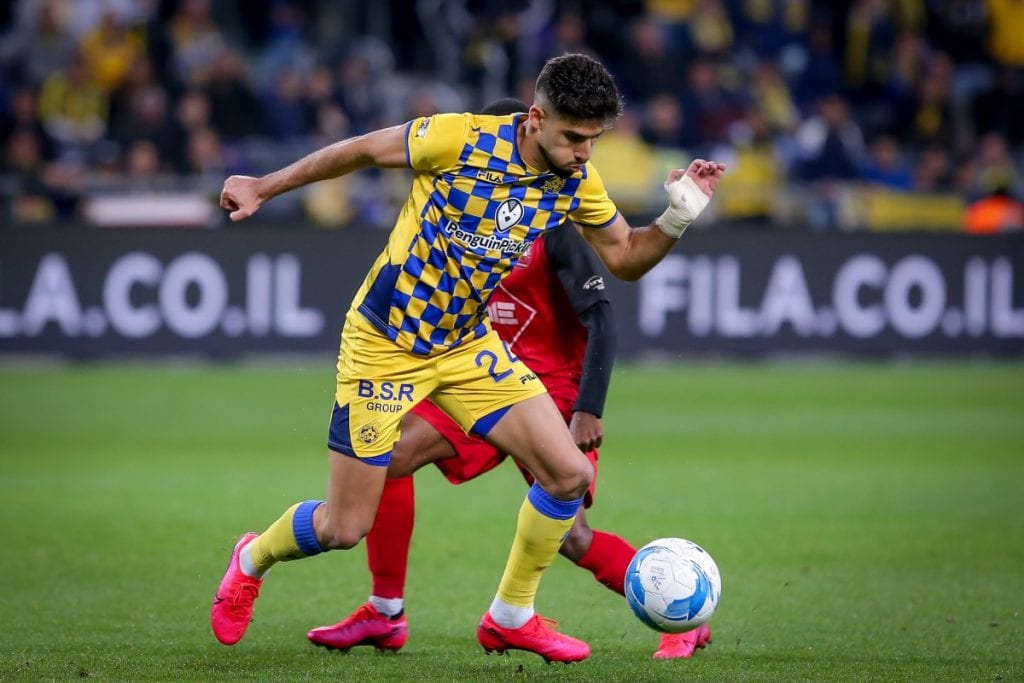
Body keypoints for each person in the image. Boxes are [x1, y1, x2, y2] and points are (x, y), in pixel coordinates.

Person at [211, 53, 724, 663]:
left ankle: (510, 616)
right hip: (385, 345)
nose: (585, 153)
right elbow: (361, 151)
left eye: (594, 139)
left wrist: (676, 217)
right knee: (343, 528)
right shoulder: (457, 137)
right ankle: (252, 558)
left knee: (568, 476)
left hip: (466, 345)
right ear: (535, 118)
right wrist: (262, 186)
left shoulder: (575, 181)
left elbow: (626, 258)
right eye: (574, 137)